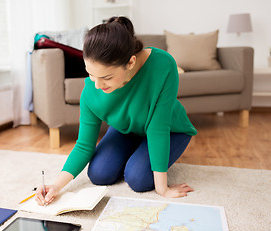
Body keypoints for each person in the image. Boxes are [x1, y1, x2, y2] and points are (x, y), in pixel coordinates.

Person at [35, 16, 197, 206]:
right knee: (99, 174)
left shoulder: (163, 65)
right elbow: (84, 145)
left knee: (139, 179)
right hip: (127, 129)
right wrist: (56, 185)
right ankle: (136, 151)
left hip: (170, 130)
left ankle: (140, 158)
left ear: (130, 63)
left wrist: (163, 189)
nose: (97, 85)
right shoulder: (91, 92)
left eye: (106, 77)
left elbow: (158, 128)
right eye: (90, 74)